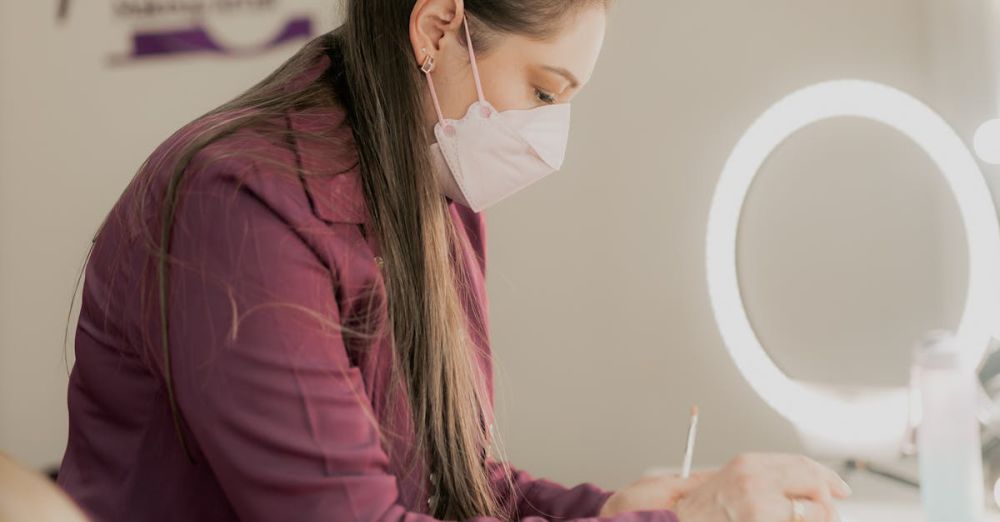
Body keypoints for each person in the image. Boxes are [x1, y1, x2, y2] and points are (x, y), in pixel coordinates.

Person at [57, 1, 852, 521]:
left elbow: (451, 481)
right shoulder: (239, 207)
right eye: (544, 93)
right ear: (437, 28)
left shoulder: (432, 187)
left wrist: (611, 510)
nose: (552, 136)